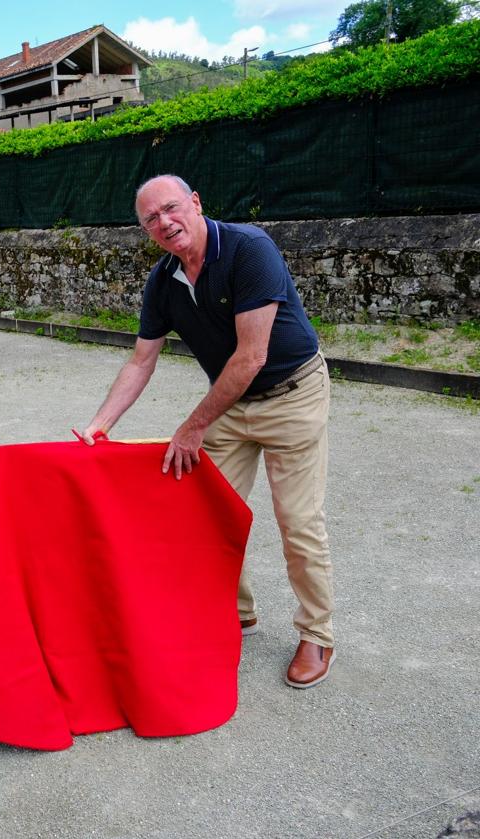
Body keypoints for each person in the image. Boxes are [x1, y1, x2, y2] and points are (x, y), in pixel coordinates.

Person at [78, 175, 335, 689]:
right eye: (151, 219)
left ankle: (317, 634)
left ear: (195, 203)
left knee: (297, 521)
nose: (164, 223)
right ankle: (235, 613)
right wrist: (99, 425)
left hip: (292, 393)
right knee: (206, 514)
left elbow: (252, 356)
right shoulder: (163, 280)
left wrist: (192, 427)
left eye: (171, 208)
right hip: (231, 404)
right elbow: (141, 361)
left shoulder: (248, 249)